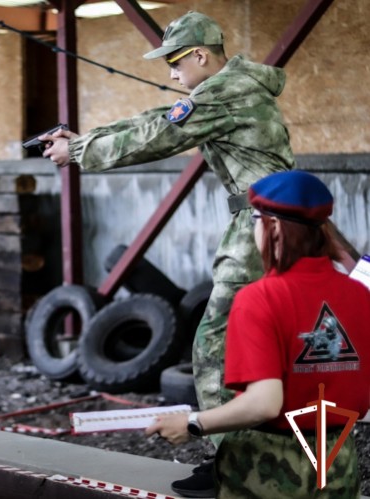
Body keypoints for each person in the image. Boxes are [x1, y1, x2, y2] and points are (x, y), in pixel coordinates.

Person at [40, 10, 295, 497]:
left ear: (200, 55)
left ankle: (231, 469)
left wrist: (77, 156)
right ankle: (249, 462)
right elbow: (158, 118)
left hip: (264, 227)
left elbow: (160, 135)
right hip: (272, 224)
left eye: (175, 62)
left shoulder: (227, 91)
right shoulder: (229, 88)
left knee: (215, 349)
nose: (171, 73)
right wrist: (84, 140)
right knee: (249, 347)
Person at [145, 170, 370, 498]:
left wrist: (193, 422)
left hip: (270, 468)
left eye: (255, 220)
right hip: (338, 461)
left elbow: (264, 404)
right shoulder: (359, 295)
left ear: (274, 228)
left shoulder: (259, 298)